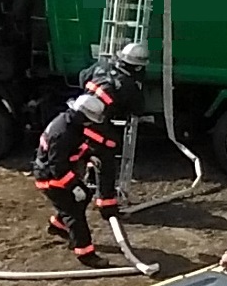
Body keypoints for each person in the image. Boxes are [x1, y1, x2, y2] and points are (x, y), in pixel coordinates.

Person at [32, 43, 146, 267]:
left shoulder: (71, 122)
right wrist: (73, 185)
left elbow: (84, 76)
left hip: (57, 167)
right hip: (51, 176)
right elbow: (58, 166)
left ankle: (58, 224)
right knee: (77, 209)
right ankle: (86, 253)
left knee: (80, 195)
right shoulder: (63, 134)